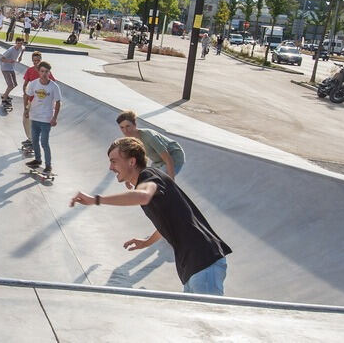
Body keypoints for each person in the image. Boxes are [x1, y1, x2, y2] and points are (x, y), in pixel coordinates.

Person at [69, 137, 231, 296]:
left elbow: (143, 196)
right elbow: (168, 221)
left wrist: (96, 199)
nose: (111, 167)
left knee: (211, 318)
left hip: (203, 261)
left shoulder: (149, 176)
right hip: (193, 266)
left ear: (131, 162)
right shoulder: (152, 179)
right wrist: (147, 242)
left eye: (114, 161)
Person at [115, 110, 185, 180]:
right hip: (157, 162)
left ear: (135, 125)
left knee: (158, 181)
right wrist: (128, 179)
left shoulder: (149, 136)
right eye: (122, 127)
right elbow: (134, 163)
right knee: (146, 180)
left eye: (128, 126)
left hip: (174, 156)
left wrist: (171, 182)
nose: (125, 131)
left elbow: (168, 159)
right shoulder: (130, 142)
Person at [24, 61, 60, 174]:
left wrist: (54, 118)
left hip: (46, 119)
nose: (44, 74)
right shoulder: (34, 83)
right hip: (34, 117)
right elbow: (27, 95)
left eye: (46, 72)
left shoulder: (54, 86)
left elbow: (58, 102)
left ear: (49, 73)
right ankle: (38, 160)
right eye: (42, 71)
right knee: (34, 141)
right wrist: (26, 109)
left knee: (44, 142)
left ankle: (48, 165)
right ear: (38, 72)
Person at [0, 37, 24, 104]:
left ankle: (5, 95)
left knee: (15, 84)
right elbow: (1, 59)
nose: (19, 45)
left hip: (11, 68)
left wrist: (20, 56)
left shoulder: (21, 48)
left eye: (21, 43)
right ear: (15, 43)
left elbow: (23, 49)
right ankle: (4, 100)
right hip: (5, 68)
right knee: (11, 85)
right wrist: (9, 61)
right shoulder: (10, 50)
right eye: (18, 43)